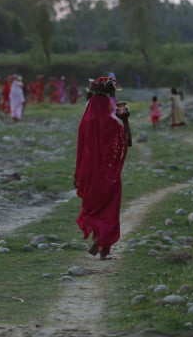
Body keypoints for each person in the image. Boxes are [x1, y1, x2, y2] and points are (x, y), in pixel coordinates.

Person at [74, 76, 132, 260]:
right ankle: (103, 246)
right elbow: (126, 142)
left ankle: (99, 239)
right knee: (109, 209)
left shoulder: (85, 123)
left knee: (94, 209)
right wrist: (125, 120)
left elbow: (80, 149)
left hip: (88, 174)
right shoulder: (111, 123)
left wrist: (77, 175)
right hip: (108, 176)